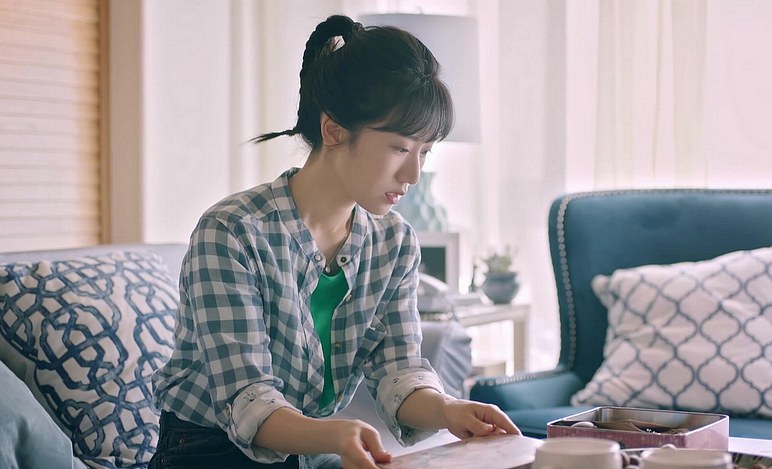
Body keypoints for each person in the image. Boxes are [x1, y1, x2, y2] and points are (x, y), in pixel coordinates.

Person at [149, 14, 520, 469]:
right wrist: (333, 434)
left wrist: (448, 410)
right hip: (207, 451)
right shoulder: (232, 232)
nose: (413, 174)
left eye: (425, 153)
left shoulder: (394, 243)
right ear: (334, 130)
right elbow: (248, 401)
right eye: (401, 149)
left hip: (305, 449)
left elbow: (398, 372)